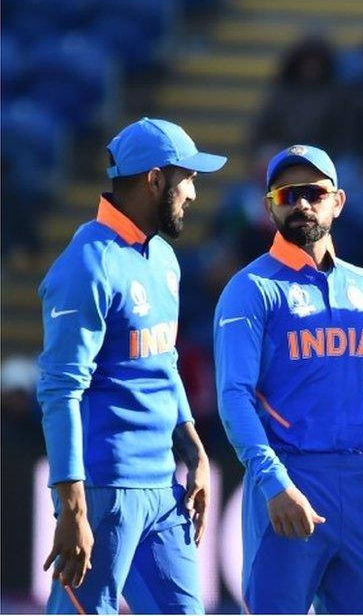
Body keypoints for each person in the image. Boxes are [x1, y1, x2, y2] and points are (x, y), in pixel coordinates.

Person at [37, 117, 226, 613]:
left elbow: (163, 362)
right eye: (188, 178)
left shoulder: (163, 257)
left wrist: (195, 451)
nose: (193, 193)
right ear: (155, 179)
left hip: (163, 491)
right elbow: (59, 391)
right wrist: (72, 506)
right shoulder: (87, 264)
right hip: (103, 493)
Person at [213, 145, 363, 614]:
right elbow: (234, 397)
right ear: (269, 206)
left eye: (313, 193)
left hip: (361, 484)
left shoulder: (362, 284)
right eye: (288, 194)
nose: (301, 204)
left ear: (337, 201)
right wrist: (273, 482)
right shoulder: (251, 288)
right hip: (291, 479)